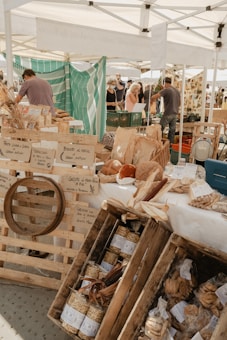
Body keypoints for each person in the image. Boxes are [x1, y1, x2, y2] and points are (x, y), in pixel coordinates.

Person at [150, 77, 181, 144]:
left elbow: (154, 97)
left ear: (165, 83)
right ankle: (170, 146)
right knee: (172, 132)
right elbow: (179, 103)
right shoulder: (176, 91)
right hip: (175, 114)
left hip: (168, 113)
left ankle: (158, 144)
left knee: (159, 129)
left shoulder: (166, 90)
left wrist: (151, 100)